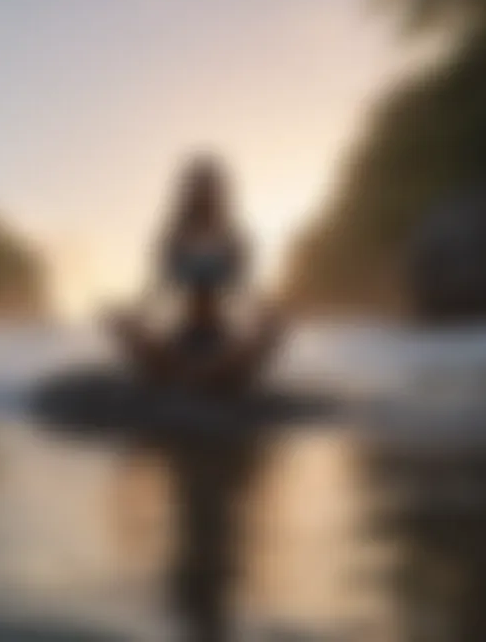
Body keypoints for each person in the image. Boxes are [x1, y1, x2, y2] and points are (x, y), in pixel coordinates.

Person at [109, 153, 284, 642]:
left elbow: (249, 295)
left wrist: (267, 325)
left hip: (221, 342)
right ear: (188, 193)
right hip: (183, 341)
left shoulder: (236, 241)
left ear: (221, 193)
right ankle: (194, 375)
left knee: (266, 336)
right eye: (198, 186)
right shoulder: (170, 240)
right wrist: (133, 323)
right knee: (127, 327)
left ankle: (199, 376)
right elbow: (154, 295)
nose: (206, 194)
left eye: (212, 187)